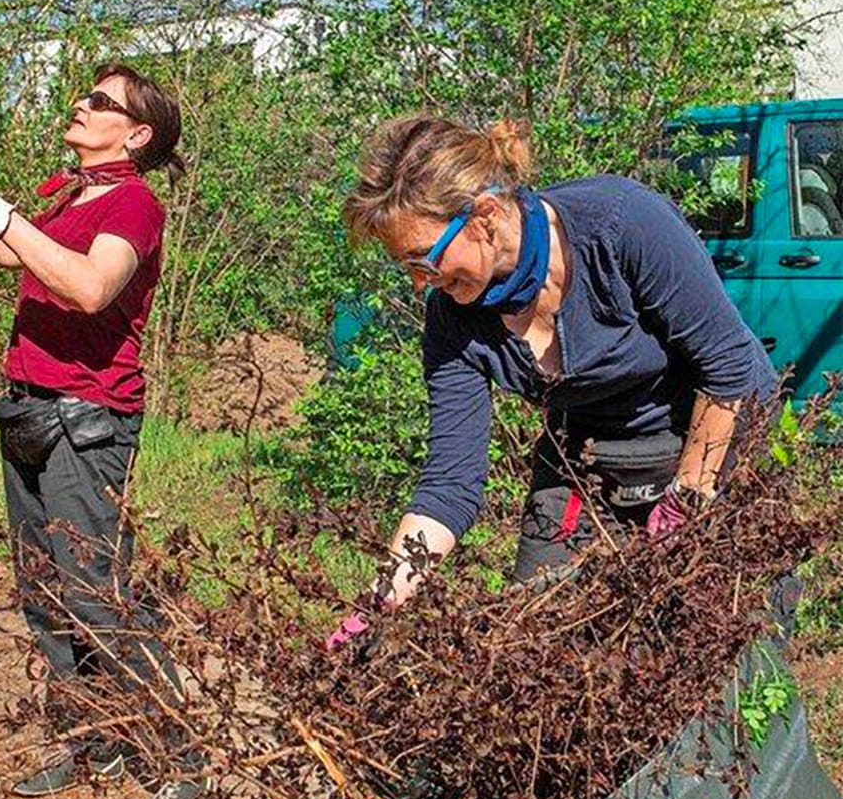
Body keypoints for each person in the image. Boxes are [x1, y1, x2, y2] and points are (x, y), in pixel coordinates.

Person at [327, 115, 778, 646]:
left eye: (424, 259)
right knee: (539, 642)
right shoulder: (453, 321)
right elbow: (451, 482)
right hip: (586, 459)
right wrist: (382, 600)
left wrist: (685, 503)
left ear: (485, 217)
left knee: (715, 647)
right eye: (406, 266)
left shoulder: (621, 223)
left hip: (713, 434)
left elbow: (729, 368)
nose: (420, 281)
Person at [0, 64, 208, 799]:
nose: (81, 106)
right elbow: (18, 260)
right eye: (85, 96)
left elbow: (88, 286)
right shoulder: (73, 193)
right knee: (43, 589)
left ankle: (185, 758)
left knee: (96, 595)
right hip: (27, 407)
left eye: (101, 103)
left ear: (136, 134)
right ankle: (95, 736)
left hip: (89, 422)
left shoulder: (135, 204)